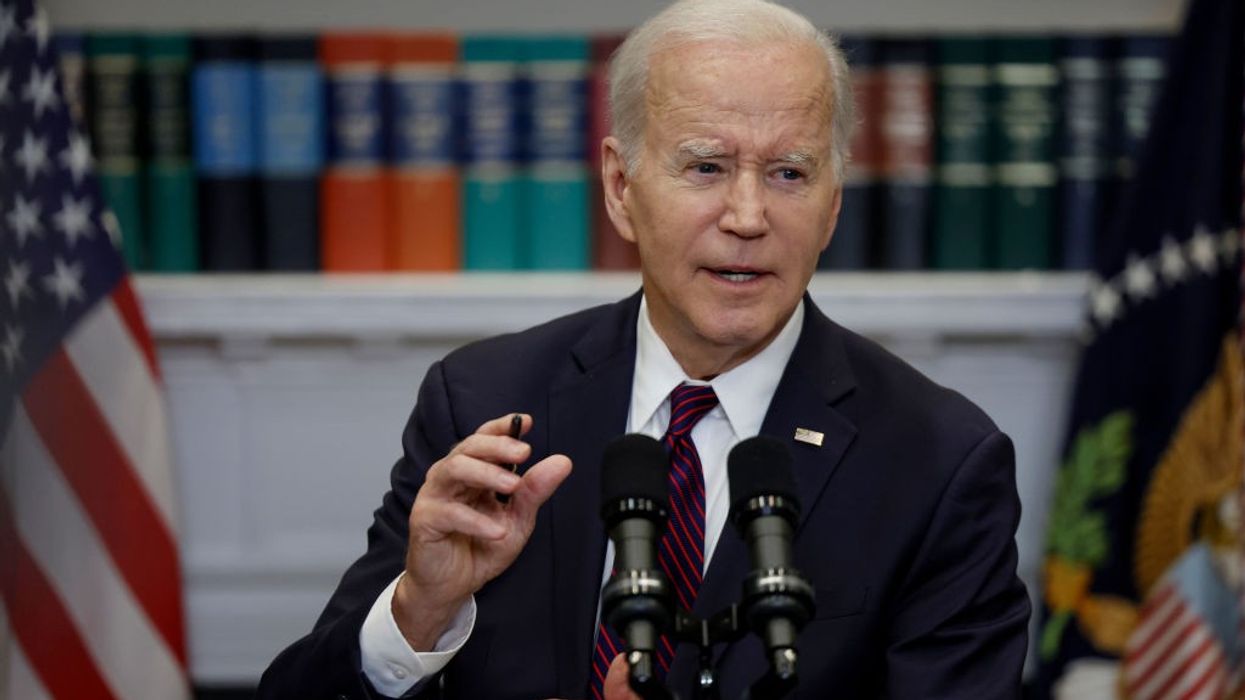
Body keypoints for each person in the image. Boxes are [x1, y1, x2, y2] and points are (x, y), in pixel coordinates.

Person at [257, 1, 1031, 697]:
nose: (748, 215)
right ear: (620, 188)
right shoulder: (486, 402)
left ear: (831, 206)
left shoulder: (938, 460)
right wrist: (420, 612)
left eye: (789, 173)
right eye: (706, 167)